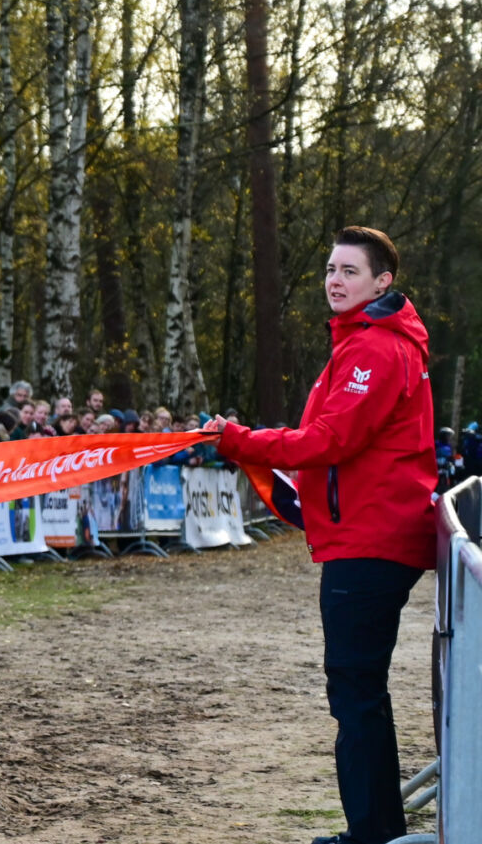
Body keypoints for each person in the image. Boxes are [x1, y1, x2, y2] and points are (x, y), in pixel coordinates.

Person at [206, 226, 435, 844]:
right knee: (360, 692)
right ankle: (378, 829)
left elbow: (331, 441)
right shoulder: (360, 343)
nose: (335, 281)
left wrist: (240, 441)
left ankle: (373, 835)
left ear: (383, 281)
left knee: (356, 693)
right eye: (330, 270)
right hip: (365, 536)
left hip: (373, 541)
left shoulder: (377, 350)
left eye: (349, 272)